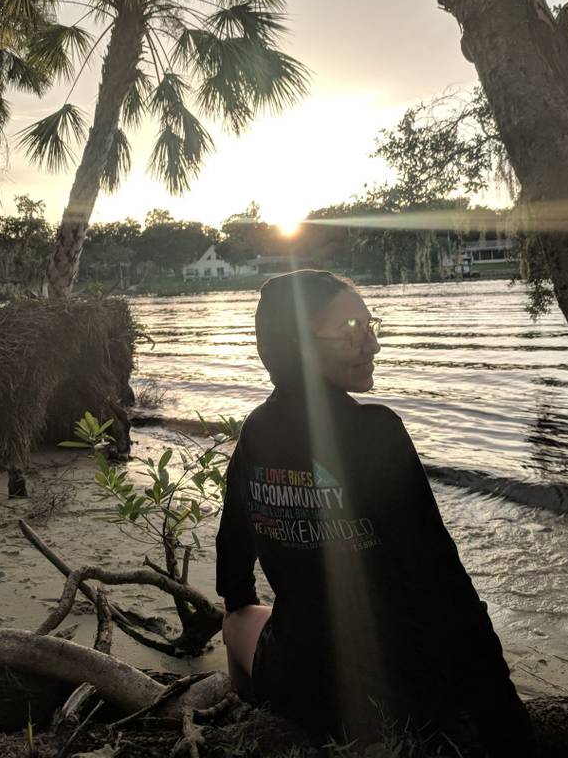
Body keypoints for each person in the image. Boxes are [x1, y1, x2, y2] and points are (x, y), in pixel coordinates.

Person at [216, 270, 534, 755]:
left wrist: (245, 594)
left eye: (371, 326)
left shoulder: (256, 431)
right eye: (351, 333)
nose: (373, 345)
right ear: (300, 346)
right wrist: (508, 724)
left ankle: (252, 715)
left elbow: (233, 555)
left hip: (305, 690)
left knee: (235, 619)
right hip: (405, 693)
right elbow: (445, 584)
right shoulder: (376, 431)